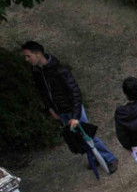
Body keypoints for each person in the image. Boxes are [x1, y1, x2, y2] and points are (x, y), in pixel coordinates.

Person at [22, 41, 118, 173]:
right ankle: (95, 156)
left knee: (87, 135)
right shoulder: (37, 72)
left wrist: (75, 116)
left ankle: (110, 158)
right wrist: (50, 108)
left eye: (28, 56)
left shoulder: (59, 70)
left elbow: (75, 92)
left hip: (72, 109)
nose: (27, 59)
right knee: (77, 137)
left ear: (38, 53)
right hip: (60, 111)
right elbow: (43, 92)